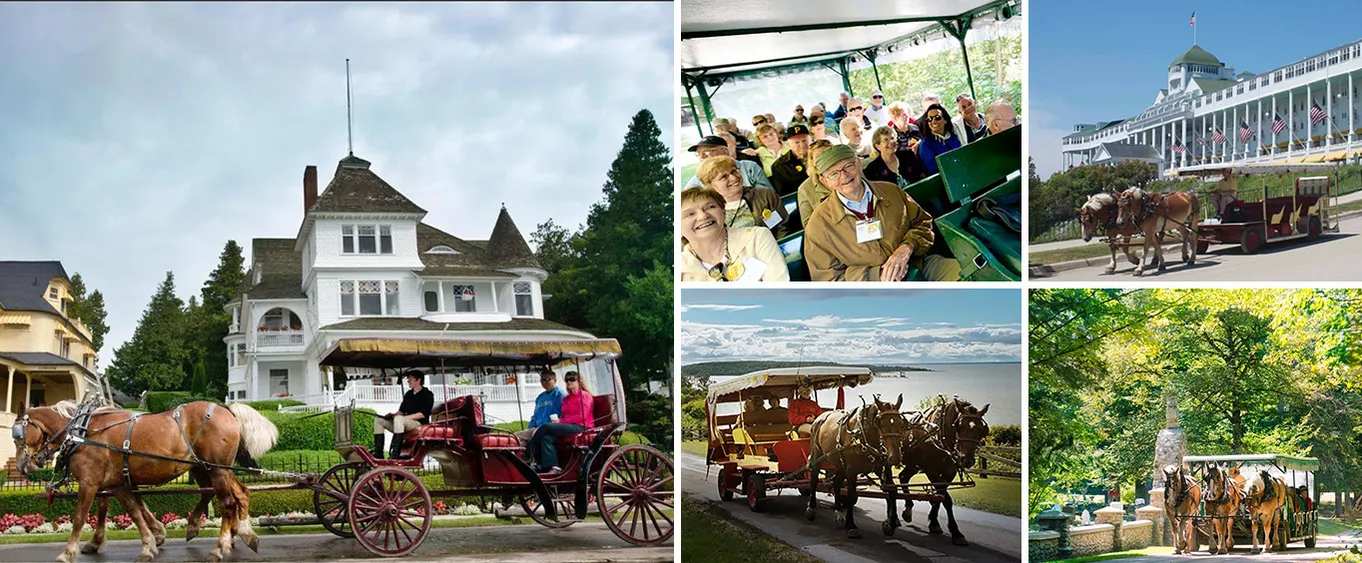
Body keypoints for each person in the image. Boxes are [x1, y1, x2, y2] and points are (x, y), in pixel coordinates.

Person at [803, 143, 960, 281]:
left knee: (971, 277)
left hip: (920, 265)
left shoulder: (891, 191)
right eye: (834, 174)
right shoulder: (819, 226)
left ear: (859, 164)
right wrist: (877, 275)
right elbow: (829, 282)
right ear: (825, 181)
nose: (844, 176)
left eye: (848, 166)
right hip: (875, 293)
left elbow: (923, 223)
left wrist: (907, 247)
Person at [679, 187, 789, 282]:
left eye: (710, 207)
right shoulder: (679, 269)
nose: (703, 216)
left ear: (723, 211)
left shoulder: (757, 237)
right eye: (690, 214)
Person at [696, 155, 790, 238]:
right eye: (724, 177)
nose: (734, 177)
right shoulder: (709, 211)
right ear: (710, 185)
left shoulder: (764, 194)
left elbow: (781, 227)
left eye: (734, 171)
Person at [526, 371, 593, 475]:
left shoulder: (584, 395)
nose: (569, 382)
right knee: (546, 438)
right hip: (568, 426)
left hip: (582, 426)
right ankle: (552, 466)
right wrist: (559, 420)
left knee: (546, 427)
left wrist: (560, 421)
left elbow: (582, 416)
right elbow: (563, 414)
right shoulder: (567, 398)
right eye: (567, 380)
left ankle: (528, 452)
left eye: (572, 379)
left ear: (579, 381)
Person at [372, 371, 434, 460]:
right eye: (408, 379)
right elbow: (401, 411)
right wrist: (392, 415)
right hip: (403, 423)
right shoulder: (408, 394)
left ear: (418, 380)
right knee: (379, 420)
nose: (408, 381)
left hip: (419, 424)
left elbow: (422, 414)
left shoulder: (427, 394)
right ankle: (378, 453)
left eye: (411, 379)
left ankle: (395, 454)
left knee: (399, 419)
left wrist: (402, 418)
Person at [685, 135, 772, 189]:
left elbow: (769, 196)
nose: (702, 157)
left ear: (725, 151)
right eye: (698, 154)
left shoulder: (749, 168)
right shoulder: (696, 181)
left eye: (707, 151)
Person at [516, 369, 567, 442]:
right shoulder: (540, 397)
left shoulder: (561, 395)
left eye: (548, 379)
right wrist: (531, 426)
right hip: (536, 428)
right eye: (542, 380)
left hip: (550, 428)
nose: (544, 382)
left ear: (555, 380)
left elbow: (563, 415)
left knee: (515, 437)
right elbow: (535, 415)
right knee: (515, 439)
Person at [797, 140, 836, 228]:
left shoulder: (849, 172)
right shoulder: (805, 189)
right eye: (819, 157)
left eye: (827, 154)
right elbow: (808, 224)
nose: (824, 159)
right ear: (812, 161)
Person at [916, 103, 963, 176]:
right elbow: (933, 170)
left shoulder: (954, 136)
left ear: (945, 120)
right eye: (929, 119)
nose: (933, 121)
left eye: (937, 117)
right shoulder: (926, 144)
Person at [769, 124, 813, 197]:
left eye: (804, 140)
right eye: (797, 142)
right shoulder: (779, 166)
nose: (802, 145)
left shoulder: (821, 155)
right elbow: (785, 195)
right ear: (788, 145)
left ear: (811, 140)